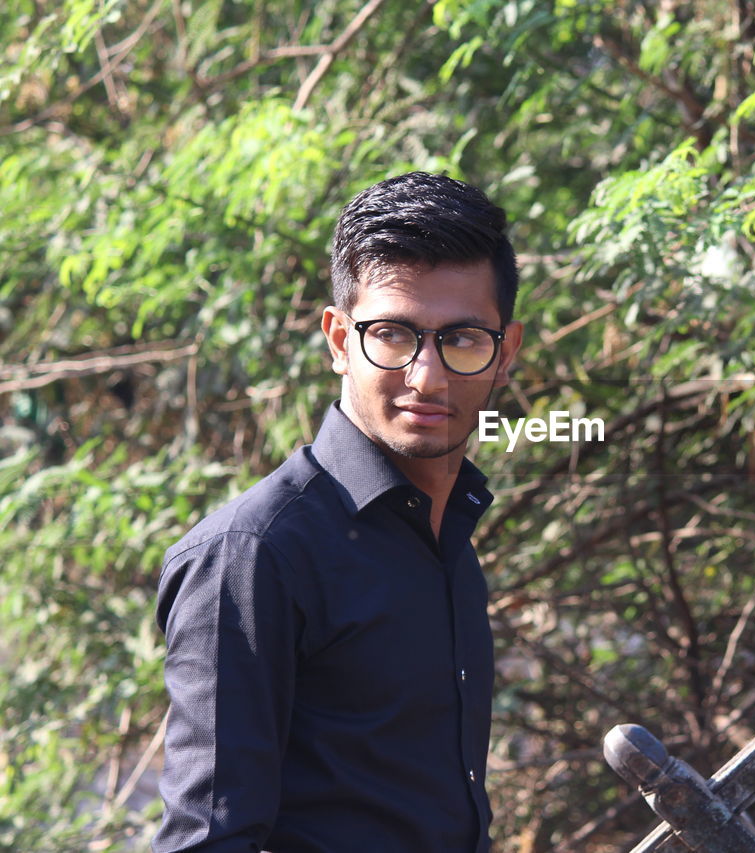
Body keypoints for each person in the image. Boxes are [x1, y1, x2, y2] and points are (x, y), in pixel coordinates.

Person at [153, 171, 523, 852]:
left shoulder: (449, 538)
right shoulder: (255, 554)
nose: (428, 376)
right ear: (338, 339)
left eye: (464, 339)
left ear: (506, 354)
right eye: (392, 334)